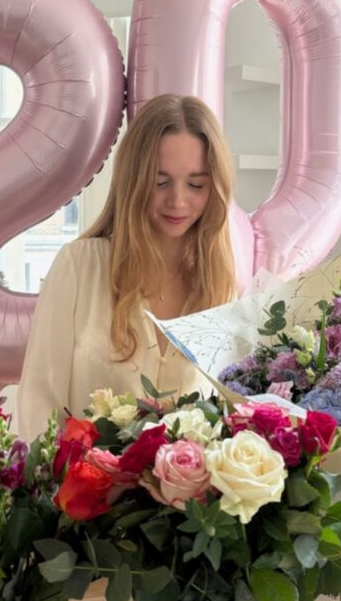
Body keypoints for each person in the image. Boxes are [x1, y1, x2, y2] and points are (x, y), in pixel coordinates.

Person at [17, 93, 236, 441]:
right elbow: (38, 407)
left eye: (196, 184)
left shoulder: (222, 290)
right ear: (133, 179)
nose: (178, 200)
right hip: (78, 476)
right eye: (160, 182)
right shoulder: (79, 267)